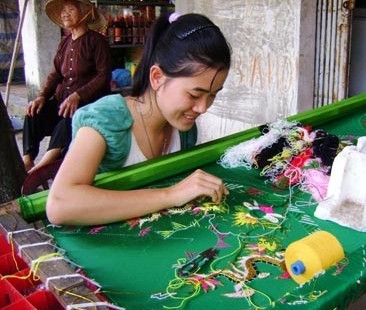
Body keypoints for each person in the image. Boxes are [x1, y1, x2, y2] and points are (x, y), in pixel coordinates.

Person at [46, 12, 232, 226]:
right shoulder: (107, 121)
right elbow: (60, 205)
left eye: (213, 94)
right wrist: (170, 195)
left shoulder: (184, 130)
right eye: (194, 94)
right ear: (157, 77)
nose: (203, 107)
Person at [22, 0, 111, 173]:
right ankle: (27, 161)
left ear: (86, 13)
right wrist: (41, 96)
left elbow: (104, 76)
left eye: (71, 9)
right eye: (63, 10)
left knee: (69, 120)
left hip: (87, 106)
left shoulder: (97, 42)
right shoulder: (64, 42)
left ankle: (42, 168)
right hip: (62, 103)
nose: (65, 13)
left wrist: (78, 95)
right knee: (33, 114)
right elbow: (56, 73)